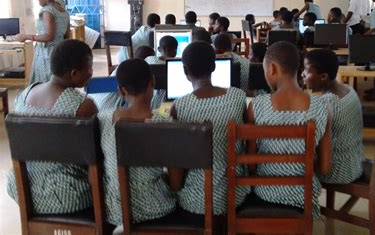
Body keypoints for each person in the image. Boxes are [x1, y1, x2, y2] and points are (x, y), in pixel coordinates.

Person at [7, 39, 97, 214]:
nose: (92, 72)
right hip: (66, 194)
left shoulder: (25, 94)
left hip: (22, 187)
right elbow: (95, 154)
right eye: (90, 68)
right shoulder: (82, 106)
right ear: (74, 73)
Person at [245, 41, 328, 217]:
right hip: (304, 195)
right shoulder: (322, 106)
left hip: (265, 193)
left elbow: (251, 166)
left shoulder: (257, 106)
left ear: (272, 68)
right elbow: (325, 166)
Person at [168, 41, 249, 215]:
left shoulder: (180, 107)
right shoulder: (238, 97)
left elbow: (177, 159)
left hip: (196, 200)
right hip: (236, 194)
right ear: (214, 66)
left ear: (185, 71)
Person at [99, 59, 176, 225]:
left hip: (116, 211)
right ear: (153, 82)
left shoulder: (104, 118)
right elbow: (175, 181)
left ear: (120, 90)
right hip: (157, 208)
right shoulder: (163, 123)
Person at [302, 49, 364, 184]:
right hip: (355, 162)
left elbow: (308, 138)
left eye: (306, 71)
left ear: (323, 76)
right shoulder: (348, 89)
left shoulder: (327, 103)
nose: (302, 75)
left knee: (288, 162)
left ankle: (295, 202)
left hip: (339, 171)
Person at [15, 0, 70, 84]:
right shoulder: (65, 12)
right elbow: (66, 35)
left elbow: (49, 36)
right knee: (57, 84)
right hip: (60, 52)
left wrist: (26, 36)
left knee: (44, 84)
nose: (38, 0)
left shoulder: (47, 10)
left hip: (47, 54)